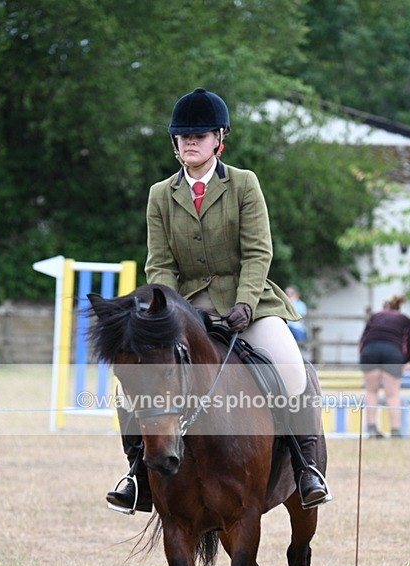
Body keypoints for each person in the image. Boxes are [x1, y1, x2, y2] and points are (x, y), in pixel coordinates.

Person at [106, 87, 331, 513]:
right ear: (175, 142)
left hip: (250, 304)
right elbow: (159, 263)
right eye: (183, 136)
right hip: (185, 309)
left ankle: (304, 467)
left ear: (218, 140)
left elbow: (258, 251)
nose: (190, 142)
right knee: (129, 388)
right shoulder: (160, 194)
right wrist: (167, 311)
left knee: (290, 369)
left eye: (200, 135)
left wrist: (245, 302)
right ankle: (138, 474)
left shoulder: (244, 183)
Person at [359, 294, 410, 437]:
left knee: (371, 392)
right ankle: (395, 430)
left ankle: (372, 428)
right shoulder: (405, 319)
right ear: (399, 308)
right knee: (392, 394)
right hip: (392, 352)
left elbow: (363, 339)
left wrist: (363, 355)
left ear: (385, 307)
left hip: (370, 351)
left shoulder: (375, 316)